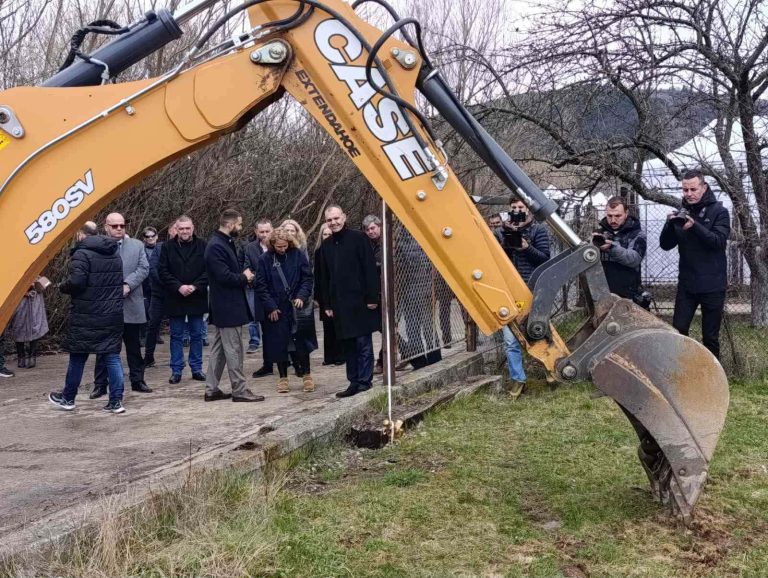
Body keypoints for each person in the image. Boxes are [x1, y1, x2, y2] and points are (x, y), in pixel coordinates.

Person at [49, 222, 126, 413]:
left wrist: (62, 286)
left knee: (77, 358)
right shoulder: (114, 253)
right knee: (112, 357)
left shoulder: (81, 254)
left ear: (80, 234)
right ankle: (116, 402)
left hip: (86, 315)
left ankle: (68, 398)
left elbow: (77, 282)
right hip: (111, 314)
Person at [660, 169, 730, 359]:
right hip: (687, 284)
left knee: (710, 336)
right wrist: (669, 224)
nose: (689, 194)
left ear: (704, 187)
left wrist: (695, 226)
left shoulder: (719, 212)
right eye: (685, 190)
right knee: (679, 330)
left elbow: (718, 242)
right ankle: (681, 372)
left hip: (713, 285)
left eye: (693, 189)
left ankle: (712, 379)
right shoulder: (682, 212)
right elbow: (665, 245)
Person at [316, 205, 379, 398]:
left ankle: (364, 381)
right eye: (329, 220)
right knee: (348, 345)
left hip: (360, 301)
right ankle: (353, 381)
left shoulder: (359, 238)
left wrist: (372, 297)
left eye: (336, 218)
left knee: (363, 344)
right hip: (339, 304)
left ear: (344, 217)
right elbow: (322, 279)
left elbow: (369, 269)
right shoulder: (325, 247)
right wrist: (326, 304)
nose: (334, 223)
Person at [204, 209, 264, 402]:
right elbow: (223, 276)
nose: (240, 227)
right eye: (239, 224)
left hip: (225, 306)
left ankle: (211, 389)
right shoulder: (216, 246)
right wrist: (244, 277)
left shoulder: (222, 243)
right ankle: (240, 390)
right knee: (234, 350)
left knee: (219, 350)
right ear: (230, 225)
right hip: (227, 306)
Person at [91, 213, 152, 399]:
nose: (119, 229)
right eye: (115, 226)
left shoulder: (137, 245)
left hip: (131, 302)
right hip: (106, 306)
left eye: (122, 225)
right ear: (106, 227)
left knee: (134, 346)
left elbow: (143, 268)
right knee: (104, 348)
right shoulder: (97, 247)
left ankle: (137, 380)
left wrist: (128, 284)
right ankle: (100, 384)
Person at [495, 196, 550, 388]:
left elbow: (544, 260)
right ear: (509, 209)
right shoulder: (500, 232)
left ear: (528, 209)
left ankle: (551, 369)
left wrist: (527, 248)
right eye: (514, 207)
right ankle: (518, 379)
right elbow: (497, 261)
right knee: (510, 339)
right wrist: (506, 245)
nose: (518, 210)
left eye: (521, 206)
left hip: (532, 288)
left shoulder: (538, 230)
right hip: (508, 290)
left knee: (538, 331)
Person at [254, 227, 317, 393]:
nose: (282, 249)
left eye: (285, 246)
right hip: (277, 306)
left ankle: (307, 375)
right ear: (272, 244)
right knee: (280, 342)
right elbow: (261, 285)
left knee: (302, 341)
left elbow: (307, 278)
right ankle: (283, 377)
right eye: (279, 246)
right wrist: (271, 306)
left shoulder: (297, 254)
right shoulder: (265, 259)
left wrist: (302, 296)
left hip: (297, 305)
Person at [159, 215, 208, 384]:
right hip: (175, 296)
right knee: (176, 335)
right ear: (176, 230)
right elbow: (163, 271)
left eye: (188, 228)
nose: (185, 231)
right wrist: (178, 286)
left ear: (193, 228)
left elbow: (208, 270)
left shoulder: (203, 245)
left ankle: (197, 368)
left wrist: (195, 286)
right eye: (181, 229)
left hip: (197, 296)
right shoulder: (167, 247)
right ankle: (176, 370)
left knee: (197, 334)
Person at [593, 196, 647, 303]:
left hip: (628, 294)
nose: (613, 220)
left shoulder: (637, 234)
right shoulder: (599, 233)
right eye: (609, 216)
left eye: (618, 216)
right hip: (602, 293)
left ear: (626, 213)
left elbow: (634, 259)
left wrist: (611, 248)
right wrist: (592, 245)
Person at [314, 224, 345, 366]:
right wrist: (317, 296)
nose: (327, 237)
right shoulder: (319, 251)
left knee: (337, 324)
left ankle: (340, 355)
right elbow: (318, 276)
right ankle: (329, 356)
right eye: (324, 234)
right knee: (327, 326)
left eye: (329, 234)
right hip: (324, 292)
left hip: (337, 292)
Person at [245, 219, 272, 356]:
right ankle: (254, 340)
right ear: (256, 232)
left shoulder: (277, 245)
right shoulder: (250, 248)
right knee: (253, 314)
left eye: (267, 231)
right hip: (254, 286)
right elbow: (246, 266)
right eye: (261, 231)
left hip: (272, 287)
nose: (265, 234)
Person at [363, 214, 384, 373]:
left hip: (386, 288)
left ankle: (383, 360)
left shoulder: (387, 242)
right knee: (381, 326)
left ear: (379, 226)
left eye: (373, 228)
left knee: (385, 325)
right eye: (367, 229)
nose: (370, 231)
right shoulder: (366, 244)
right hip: (373, 289)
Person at [11, 279, 49, 368]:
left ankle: (32, 357)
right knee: (18, 327)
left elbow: (45, 285)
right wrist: (22, 291)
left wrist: (36, 282)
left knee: (35, 326)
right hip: (19, 301)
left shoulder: (35, 269)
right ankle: (21, 357)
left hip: (34, 302)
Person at [142, 226, 164, 368]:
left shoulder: (163, 249)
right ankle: (148, 356)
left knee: (154, 320)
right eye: (147, 236)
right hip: (146, 289)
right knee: (150, 320)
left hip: (160, 288)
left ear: (156, 236)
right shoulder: (141, 250)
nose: (150, 238)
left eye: (152, 236)